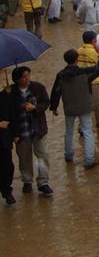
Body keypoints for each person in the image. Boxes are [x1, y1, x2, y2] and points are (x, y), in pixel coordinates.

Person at [49, 48, 99, 169]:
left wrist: (54, 107)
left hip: (69, 106)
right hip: (84, 105)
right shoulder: (84, 72)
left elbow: (56, 91)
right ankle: (88, 160)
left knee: (69, 131)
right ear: (77, 59)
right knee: (87, 132)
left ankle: (68, 155)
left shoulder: (60, 75)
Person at [3, 66, 52, 197]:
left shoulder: (38, 87)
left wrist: (35, 108)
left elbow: (46, 103)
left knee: (42, 155)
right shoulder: (10, 92)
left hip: (38, 129)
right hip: (21, 132)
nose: (27, 78)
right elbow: (5, 110)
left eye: (28, 75)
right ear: (17, 79)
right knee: (24, 158)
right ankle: (27, 181)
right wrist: (4, 93)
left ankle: (43, 182)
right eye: (24, 77)